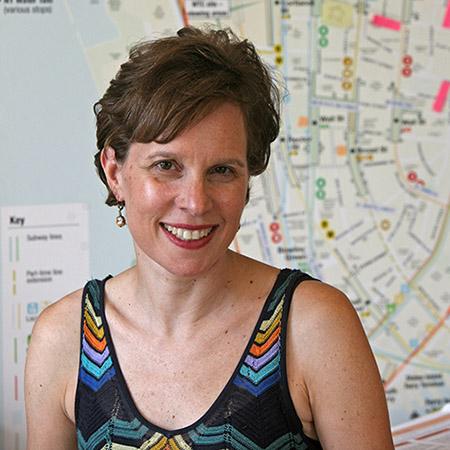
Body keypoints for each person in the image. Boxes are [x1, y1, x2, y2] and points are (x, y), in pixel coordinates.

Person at [25, 27, 394, 449]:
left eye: (222, 170)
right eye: (166, 165)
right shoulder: (63, 338)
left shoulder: (314, 326)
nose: (196, 202)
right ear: (114, 173)